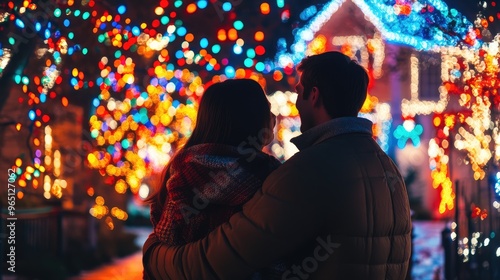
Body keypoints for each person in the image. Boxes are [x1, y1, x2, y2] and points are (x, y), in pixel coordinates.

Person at [143, 51, 412, 279]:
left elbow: (222, 257)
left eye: (299, 92)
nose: (294, 104)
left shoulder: (307, 170)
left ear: (314, 96)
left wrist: (155, 254)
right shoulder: (386, 166)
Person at [146, 79, 283, 279]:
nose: (273, 117)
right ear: (250, 121)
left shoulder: (181, 172)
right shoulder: (271, 179)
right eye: (267, 110)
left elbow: (165, 239)